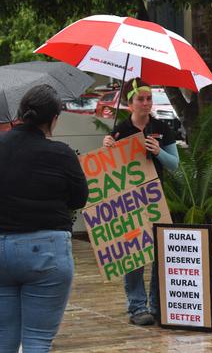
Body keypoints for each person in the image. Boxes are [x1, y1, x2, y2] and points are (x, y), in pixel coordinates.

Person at [0, 84, 89, 352]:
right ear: (53, 119)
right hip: (45, 252)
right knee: (37, 339)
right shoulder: (61, 153)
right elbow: (78, 200)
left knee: (4, 338)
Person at [103, 78, 179, 325]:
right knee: (133, 255)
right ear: (130, 104)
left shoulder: (162, 128)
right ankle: (137, 307)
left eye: (149, 98)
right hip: (129, 202)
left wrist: (159, 151)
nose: (146, 103)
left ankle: (157, 306)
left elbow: (175, 165)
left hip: (156, 199)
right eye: (141, 99)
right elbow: (108, 169)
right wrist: (107, 148)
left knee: (159, 254)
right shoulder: (119, 130)